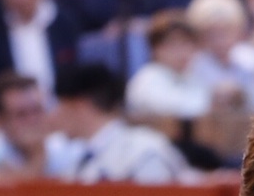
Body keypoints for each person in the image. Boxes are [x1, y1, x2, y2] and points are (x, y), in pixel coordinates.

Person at [48, 60, 192, 182]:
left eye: (60, 106)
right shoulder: (76, 162)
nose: (54, 115)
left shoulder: (143, 152)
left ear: (79, 106)